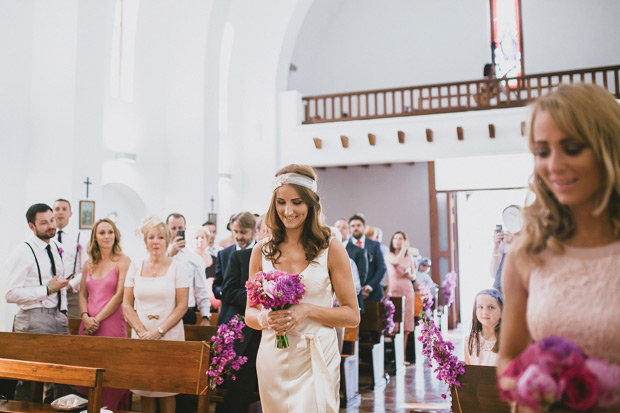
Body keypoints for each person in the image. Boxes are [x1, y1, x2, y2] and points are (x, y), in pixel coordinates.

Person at [498, 84, 620, 386]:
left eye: (572, 148)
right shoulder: (528, 252)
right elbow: (508, 359)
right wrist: (529, 391)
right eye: (542, 151)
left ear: (608, 147)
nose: (554, 166)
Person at [245, 164, 360, 412]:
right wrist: (267, 317)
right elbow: (250, 315)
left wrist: (306, 310)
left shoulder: (331, 248)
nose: (288, 211)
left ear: (311, 204)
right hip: (273, 357)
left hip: (316, 354)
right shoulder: (261, 251)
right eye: (281, 202)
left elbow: (352, 315)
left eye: (297, 202)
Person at [6, 203, 73, 402]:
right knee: (30, 380)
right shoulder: (23, 251)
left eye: (51, 220)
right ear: (31, 226)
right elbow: (11, 294)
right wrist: (48, 289)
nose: (50, 226)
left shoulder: (54, 246)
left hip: (59, 317)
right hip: (34, 319)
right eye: (44, 223)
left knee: (62, 376)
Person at [123, 217, 189, 413]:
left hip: (169, 335)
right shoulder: (135, 265)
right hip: (141, 336)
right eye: (151, 237)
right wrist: (142, 331)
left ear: (167, 240)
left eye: (160, 237)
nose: (156, 241)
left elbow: (182, 305)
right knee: (146, 390)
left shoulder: (177, 267)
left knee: (167, 390)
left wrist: (159, 331)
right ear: (145, 241)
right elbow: (126, 304)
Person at [77, 218, 131, 409]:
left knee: (111, 372)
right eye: (102, 232)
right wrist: (85, 317)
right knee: (88, 372)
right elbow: (83, 293)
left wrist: (96, 320)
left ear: (115, 235)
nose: (107, 236)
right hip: (88, 325)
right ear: (95, 237)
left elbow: (119, 295)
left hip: (110, 324)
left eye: (110, 232)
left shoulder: (123, 261)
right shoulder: (88, 263)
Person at [219, 247, 262, 413]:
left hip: (274, 336)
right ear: (258, 232)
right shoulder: (241, 256)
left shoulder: (289, 256)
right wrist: (261, 296)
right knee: (238, 393)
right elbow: (228, 292)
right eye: (266, 230)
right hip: (245, 337)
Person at [166, 213, 211, 326]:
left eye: (180, 228)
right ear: (167, 229)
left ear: (185, 229)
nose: (177, 231)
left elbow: (201, 289)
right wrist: (170, 254)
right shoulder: (160, 256)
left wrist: (205, 316)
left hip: (186, 312)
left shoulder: (194, 258)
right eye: (173, 228)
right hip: (164, 311)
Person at [212, 211, 256, 319]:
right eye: (236, 232)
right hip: (229, 315)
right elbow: (216, 285)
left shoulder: (260, 252)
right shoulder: (224, 254)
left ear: (253, 231)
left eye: (244, 232)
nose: (239, 236)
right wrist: (225, 293)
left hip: (253, 315)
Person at [52, 199, 86, 318]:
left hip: (72, 294)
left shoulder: (80, 237)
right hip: (50, 294)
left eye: (64, 209)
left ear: (70, 213)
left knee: (72, 331)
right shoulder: (47, 237)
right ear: (52, 212)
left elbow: (85, 269)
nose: (60, 212)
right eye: (57, 209)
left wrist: (69, 285)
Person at [386, 231, 416, 356]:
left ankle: (402, 356)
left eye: (401, 238)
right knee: (394, 324)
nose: (398, 241)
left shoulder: (410, 258)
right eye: (395, 238)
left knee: (405, 326)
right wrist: (403, 249)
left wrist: (410, 275)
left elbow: (414, 276)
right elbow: (396, 262)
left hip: (407, 292)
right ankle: (394, 356)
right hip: (394, 292)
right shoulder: (389, 255)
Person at [349, 213, 386, 302]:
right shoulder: (345, 246)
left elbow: (381, 267)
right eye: (353, 226)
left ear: (364, 227)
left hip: (373, 292)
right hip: (351, 294)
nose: (355, 228)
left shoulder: (374, 245)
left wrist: (369, 287)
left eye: (358, 225)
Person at [335, 218, 368, 313]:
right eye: (338, 227)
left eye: (344, 227)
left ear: (349, 232)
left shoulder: (359, 251)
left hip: (351, 298)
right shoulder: (326, 249)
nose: (340, 229)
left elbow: (362, 276)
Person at [464, 289, 503, 366]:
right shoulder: (469, 341)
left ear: (502, 312)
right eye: (480, 307)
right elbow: (468, 369)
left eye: (491, 307)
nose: (485, 312)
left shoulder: (507, 341)